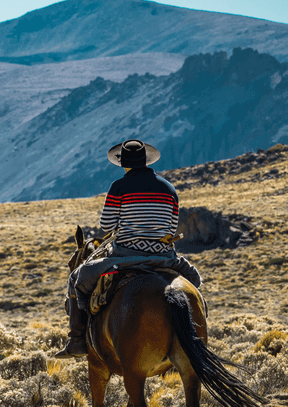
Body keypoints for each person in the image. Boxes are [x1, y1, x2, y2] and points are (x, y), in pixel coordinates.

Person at [55, 139, 201, 358]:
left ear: (124, 164)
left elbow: (106, 226)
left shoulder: (119, 187)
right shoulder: (169, 189)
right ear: (146, 161)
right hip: (164, 256)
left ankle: (76, 339)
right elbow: (171, 227)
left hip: (125, 255)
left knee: (78, 277)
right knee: (194, 281)